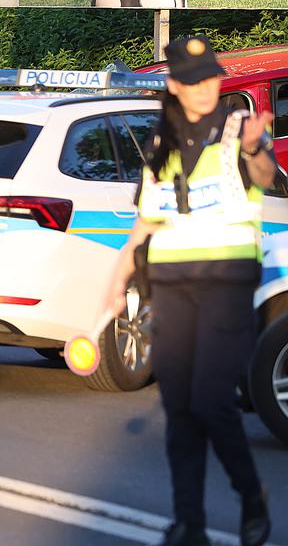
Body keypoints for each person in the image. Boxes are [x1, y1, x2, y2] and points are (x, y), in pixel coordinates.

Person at [104, 36, 273, 546]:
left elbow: (263, 175)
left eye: (212, 77)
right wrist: (115, 286)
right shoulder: (160, 143)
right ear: (175, 84)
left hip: (226, 279)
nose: (206, 87)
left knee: (211, 401)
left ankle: (250, 497)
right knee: (178, 404)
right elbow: (145, 224)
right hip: (172, 283)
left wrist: (253, 150)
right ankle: (189, 524)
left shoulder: (239, 130)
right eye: (194, 79)